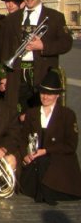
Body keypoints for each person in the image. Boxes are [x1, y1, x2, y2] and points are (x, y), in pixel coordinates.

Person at [1, 0, 73, 115]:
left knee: (40, 117)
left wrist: (43, 46)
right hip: (17, 75)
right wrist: (3, 75)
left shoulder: (55, 17)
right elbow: (6, 49)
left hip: (42, 74)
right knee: (15, 117)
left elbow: (66, 43)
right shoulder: (12, 19)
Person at [20, 69, 81, 205]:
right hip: (35, 160)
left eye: (50, 94)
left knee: (43, 163)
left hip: (58, 158)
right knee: (39, 164)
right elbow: (23, 138)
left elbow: (71, 145)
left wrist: (46, 151)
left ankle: (45, 193)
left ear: (57, 96)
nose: (45, 97)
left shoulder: (67, 115)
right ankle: (43, 192)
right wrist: (25, 155)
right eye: (43, 93)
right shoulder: (32, 113)